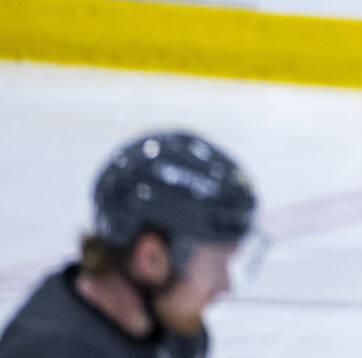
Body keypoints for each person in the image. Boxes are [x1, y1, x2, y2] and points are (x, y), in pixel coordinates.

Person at [0, 130, 258, 358]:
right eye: (216, 262)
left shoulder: (174, 331)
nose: (225, 285)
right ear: (151, 258)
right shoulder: (52, 350)